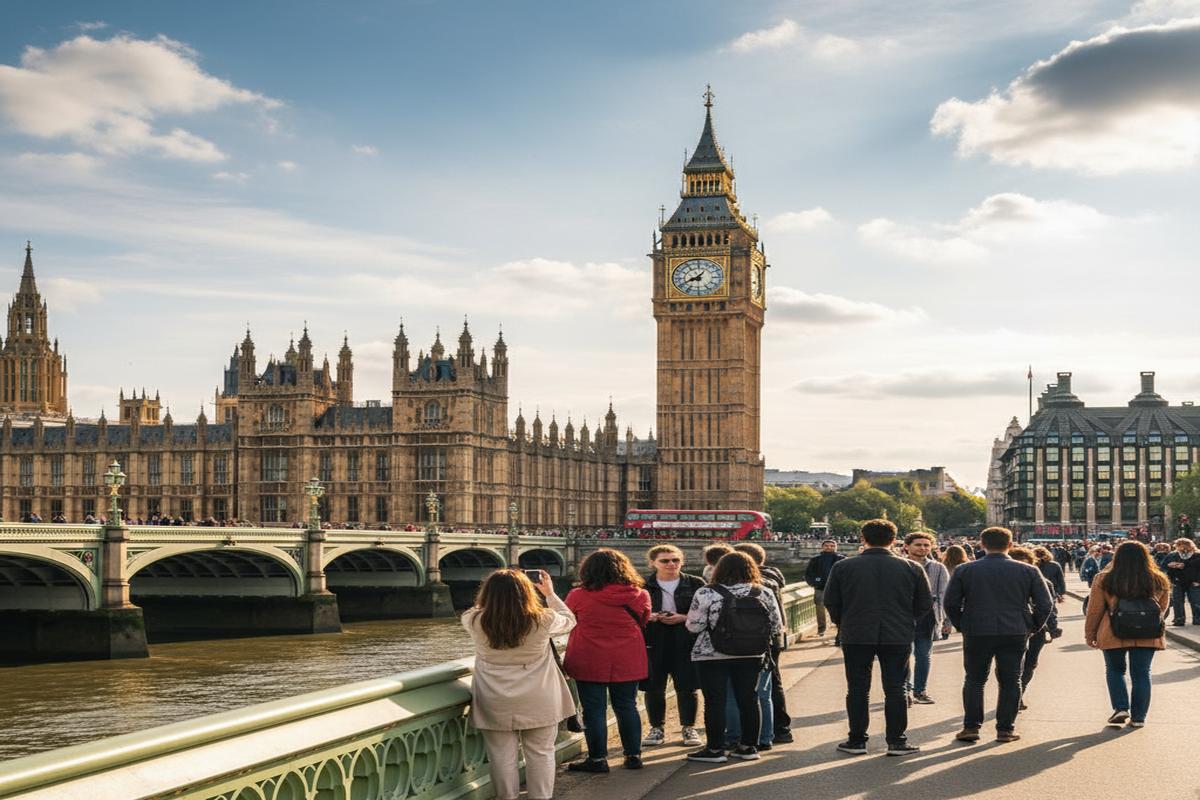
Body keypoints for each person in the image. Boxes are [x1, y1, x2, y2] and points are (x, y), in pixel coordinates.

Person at [822, 519, 932, 757]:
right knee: (896, 688)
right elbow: (924, 604)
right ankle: (896, 741)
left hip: (856, 633)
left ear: (863, 538)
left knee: (858, 688)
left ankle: (857, 740)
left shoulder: (843, 567)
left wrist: (845, 621)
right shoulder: (912, 568)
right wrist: (906, 619)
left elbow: (831, 601)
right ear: (894, 540)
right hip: (898, 633)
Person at [462, 569, 576, 800]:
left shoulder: (473, 619)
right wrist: (550, 594)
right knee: (542, 753)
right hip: (539, 695)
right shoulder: (544, 618)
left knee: (501, 757)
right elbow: (570, 621)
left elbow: (478, 608)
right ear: (527, 591)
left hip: (493, 696)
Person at [944, 526, 1053, 744]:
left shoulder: (965, 570)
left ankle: (971, 727)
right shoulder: (1028, 570)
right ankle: (1005, 729)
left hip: (977, 629)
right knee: (1011, 680)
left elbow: (951, 603)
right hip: (1015, 629)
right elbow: (1045, 603)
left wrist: (963, 624)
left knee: (975, 679)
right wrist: (1033, 626)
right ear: (1010, 545)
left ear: (982, 545)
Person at [684, 551, 783, 764]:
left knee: (715, 702)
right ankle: (748, 747)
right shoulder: (763, 592)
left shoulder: (706, 592)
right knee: (749, 700)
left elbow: (694, 625)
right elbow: (776, 626)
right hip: (752, 653)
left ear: (719, 569)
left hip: (711, 655)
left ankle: (715, 750)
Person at [563, 549, 653, 772]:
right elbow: (644, 619)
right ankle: (633, 756)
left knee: (593, 711)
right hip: (627, 657)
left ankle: (597, 760)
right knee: (627, 707)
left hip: (589, 657)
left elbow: (566, 621)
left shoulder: (578, 595)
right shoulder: (640, 595)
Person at [1084, 541, 1170, 727]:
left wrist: (1090, 633)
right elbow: (1162, 607)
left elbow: (1095, 609)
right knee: (1142, 673)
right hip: (1148, 632)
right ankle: (1139, 718)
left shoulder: (1104, 578)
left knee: (1115, 670)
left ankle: (1121, 707)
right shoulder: (1158, 578)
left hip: (1113, 630)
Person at [641, 545, 704, 748]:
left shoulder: (695, 583)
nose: (671, 564)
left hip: (685, 639)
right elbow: (632, 614)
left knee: (687, 687)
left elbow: (707, 613)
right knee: (654, 687)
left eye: (675, 560)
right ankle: (656, 728)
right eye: (665, 560)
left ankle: (688, 728)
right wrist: (649, 617)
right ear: (653, 563)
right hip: (654, 639)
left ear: (682, 561)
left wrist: (683, 618)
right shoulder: (642, 586)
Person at [734, 542, 792, 746]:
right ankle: (780, 730)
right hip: (772, 639)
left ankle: (754, 733)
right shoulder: (773, 578)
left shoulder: (756, 583)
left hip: (753, 641)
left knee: (758, 689)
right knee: (773, 685)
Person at [1007, 547, 1058, 710]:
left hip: (1036, 630)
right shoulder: (1003, 583)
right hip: (1013, 629)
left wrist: (1051, 627)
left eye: (1026, 563)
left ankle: (1019, 694)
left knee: (1030, 664)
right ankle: (1011, 695)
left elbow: (1050, 607)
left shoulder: (1044, 582)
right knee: (1011, 666)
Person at [903, 532, 949, 705]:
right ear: (907, 546)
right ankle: (905, 690)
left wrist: (945, 620)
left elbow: (945, 594)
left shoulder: (938, 568)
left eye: (926, 545)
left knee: (923, 655)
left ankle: (920, 690)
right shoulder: (899, 565)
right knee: (904, 654)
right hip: (903, 615)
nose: (923, 548)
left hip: (928, 616)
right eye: (918, 545)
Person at [804, 539, 845, 638]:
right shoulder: (815, 559)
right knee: (820, 609)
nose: (829, 547)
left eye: (832, 546)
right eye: (827, 545)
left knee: (838, 609)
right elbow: (808, 573)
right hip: (820, 588)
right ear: (822, 547)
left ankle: (839, 629)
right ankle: (821, 629)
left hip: (837, 589)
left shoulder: (842, 559)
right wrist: (814, 583)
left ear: (836, 547)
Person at [1160, 538, 1200, 626]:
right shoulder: (1172, 555)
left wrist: (1198, 581)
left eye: (1185, 545)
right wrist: (1169, 565)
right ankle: (1179, 619)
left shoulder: (1197, 555)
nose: (1183, 548)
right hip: (1177, 581)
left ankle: (1197, 619)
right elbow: (1162, 568)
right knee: (1178, 601)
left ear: (1190, 546)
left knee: (1196, 601)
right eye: (1180, 545)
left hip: (1193, 582)